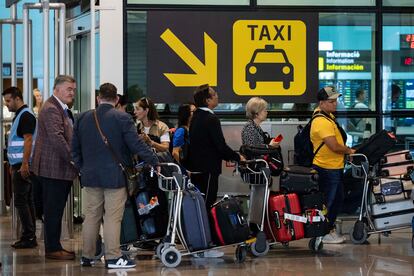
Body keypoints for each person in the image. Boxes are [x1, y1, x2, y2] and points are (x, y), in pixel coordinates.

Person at [72, 83, 159, 269]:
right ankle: (113, 258)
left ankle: (87, 256)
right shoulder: (122, 117)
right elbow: (135, 144)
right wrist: (154, 160)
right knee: (112, 217)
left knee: (92, 216)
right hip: (114, 176)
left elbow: (74, 149)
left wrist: (82, 168)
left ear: (98, 98)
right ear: (116, 99)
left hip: (90, 176)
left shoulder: (82, 118)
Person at [31, 75, 78, 260]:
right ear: (56, 89)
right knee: (53, 211)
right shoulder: (51, 108)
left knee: (55, 210)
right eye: (69, 89)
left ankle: (54, 246)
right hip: (54, 169)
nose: (72, 92)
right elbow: (57, 139)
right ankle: (52, 249)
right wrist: (74, 159)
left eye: (73, 89)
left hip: (59, 169)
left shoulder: (61, 108)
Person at [310, 86, 355, 244]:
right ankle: (322, 233)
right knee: (327, 203)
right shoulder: (322, 121)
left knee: (336, 200)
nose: (335, 104)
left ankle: (327, 229)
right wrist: (349, 151)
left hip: (333, 167)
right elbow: (334, 146)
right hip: (327, 168)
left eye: (336, 100)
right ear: (322, 103)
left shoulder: (327, 117)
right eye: (331, 101)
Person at [2, 87, 37, 249]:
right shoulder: (21, 115)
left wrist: (24, 164)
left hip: (24, 166)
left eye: (8, 101)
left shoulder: (25, 116)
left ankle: (28, 237)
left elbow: (28, 140)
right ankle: (30, 236)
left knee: (22, 202)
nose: (7, 105)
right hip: (19, 165)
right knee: (26, 201)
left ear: (17, 98)